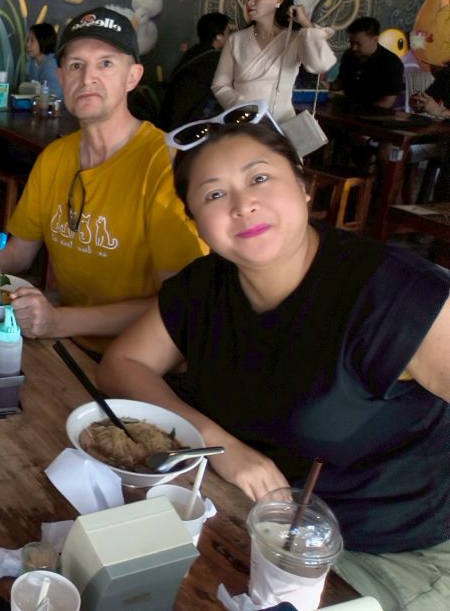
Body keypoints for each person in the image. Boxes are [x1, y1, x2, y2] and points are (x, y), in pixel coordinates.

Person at [97, 117, 450, 611]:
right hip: (251, 523)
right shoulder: (205, 286)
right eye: (214, 194)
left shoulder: (394, 294)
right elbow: (122, 363)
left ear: (304, 187)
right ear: (195, 221)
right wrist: (218, 445)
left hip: (390, 553)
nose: (243, 205)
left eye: (260, 178)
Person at [0, 6, 206, 356]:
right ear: (61, 76)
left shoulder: (165, 163)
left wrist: (59, 321)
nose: (87, 78)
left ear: (133, 76)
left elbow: (179, 302)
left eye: (106, 63)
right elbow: (17, 254)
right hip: (70, 345)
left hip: (148, 359)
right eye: (75, 65)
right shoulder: (55, 158)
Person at [212, 0, 336, 122]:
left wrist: (305, 23)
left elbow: (320, 64)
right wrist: (243, 107)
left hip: (282, 123)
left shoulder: (295, 37)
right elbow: (220, 85)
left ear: (279, 0)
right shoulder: (236, 40)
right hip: (244, 123)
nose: (249, 2)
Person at [159, 12, 232, 129]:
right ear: (219, 36)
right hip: (184, 125)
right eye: (228, 32)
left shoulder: (194, 52)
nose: (229, 37)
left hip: (170, 119)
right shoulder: (214, 59)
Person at [330, 16, 404, 109]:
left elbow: (386, 103)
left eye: (358, 44)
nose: (354, 48)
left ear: (375, 39)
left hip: (375, 114)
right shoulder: (349, 55)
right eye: (351, 43)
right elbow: (341, 82)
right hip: (347, 108)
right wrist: (327, 86)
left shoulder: (391, 63)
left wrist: (358, 110)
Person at [25, 22, 63, 97]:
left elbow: (56, 95)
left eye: (32, 40)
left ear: (43, 41)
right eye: (27, 40)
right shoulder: (31, 63)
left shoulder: (52, 66)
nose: (27, 45)